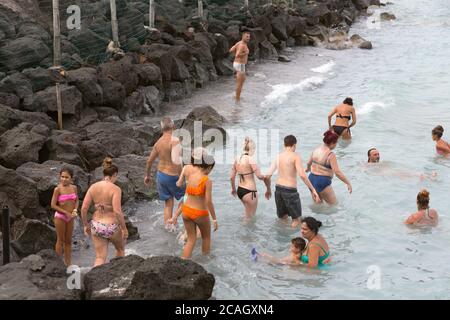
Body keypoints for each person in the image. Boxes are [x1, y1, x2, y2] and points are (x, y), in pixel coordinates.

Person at [81, 158, 128, 267]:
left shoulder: (93, 187)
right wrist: (124, 228)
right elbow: (117, 211)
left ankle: (94, 279)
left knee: (100, 257)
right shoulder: (115, 189)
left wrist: (85, 225)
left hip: (96, 226)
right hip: (111, 226)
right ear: (115, 174)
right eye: (116, 176)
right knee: (120, 250)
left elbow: (83, 208)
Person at [266, 135, 320, 228]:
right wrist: (313, 190)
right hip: (290, 191)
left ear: (284, 144)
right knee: (297, 220)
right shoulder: (295, 156)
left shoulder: (278, 156)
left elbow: (267, 176)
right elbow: (302, 175)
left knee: (282, 218)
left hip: (278, 189)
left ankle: (282, 240)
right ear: (294, 145)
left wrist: (268, 189)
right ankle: (293, 240)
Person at [175, 149, 218, 259]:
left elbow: (185, 193)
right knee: (206, 238)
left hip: (186, 211)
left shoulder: (191, 176)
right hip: (200, 213)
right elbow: (208, 201)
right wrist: (214, 219)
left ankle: (183, 261)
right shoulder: (207, 180)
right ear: (208, 167)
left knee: (191, 239)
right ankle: (205, 263)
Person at [144, 117, 185, 229]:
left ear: (161, 128)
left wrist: (147, 175)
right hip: (173, 175)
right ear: (173, 127)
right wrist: (182, 176)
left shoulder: (158, 143)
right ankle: (175, 219)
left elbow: (149, 161)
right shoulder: (175, 141)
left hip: (161, 175)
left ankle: (168, 227)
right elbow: (177, 162)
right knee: (187, 197)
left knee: (168, 203)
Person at [306, 130, 352, 205]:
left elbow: (308, 163)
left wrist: (308, 169)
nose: (336, 145)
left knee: (318, 205)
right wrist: (348, 183)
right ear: (332, 143)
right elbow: (337, 172)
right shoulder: (330, 155)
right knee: (333, 205)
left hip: (311, 179)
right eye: (336, 142)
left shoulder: (316, 150)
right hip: (322, 181)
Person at [230, 137, 271, 219]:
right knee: (250, 218)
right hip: (250, 192)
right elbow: (259, 176)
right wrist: (266, 178)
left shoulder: (237, 158)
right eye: (254, 149)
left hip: (240, 191)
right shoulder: (250, 159)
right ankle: (243, 231)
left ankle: (242, 230)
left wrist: (233, 189)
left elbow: (231, 177)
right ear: (252, 149)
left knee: (246, 214)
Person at [50, 168, 78, 266]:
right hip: (60, 217)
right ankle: (59, 264)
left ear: (71, 178)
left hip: (70, 217)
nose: (64, 179)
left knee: (68, 241)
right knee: (60, 240)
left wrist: (75, 209)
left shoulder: (74, 188)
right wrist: (65, 212)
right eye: (62, 177)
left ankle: (68, 264)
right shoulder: (57, 189)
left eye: (66, 177)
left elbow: (77, 201)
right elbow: (53, 205)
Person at [229, 31, 250, 103]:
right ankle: (237, 100)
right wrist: (245, 53)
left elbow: (231, 50)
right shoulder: (242, 45)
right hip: (240, 64)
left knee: (242, 80)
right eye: (246, 37)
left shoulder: (239, 43)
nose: (248, 38)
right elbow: (237, 55)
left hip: (238, 64)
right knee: (240, 83)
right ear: (243, 36)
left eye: (249, 37)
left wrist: (237, 51)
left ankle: (237, 96)